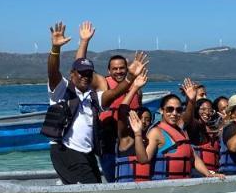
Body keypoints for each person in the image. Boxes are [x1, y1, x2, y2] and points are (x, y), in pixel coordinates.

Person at [44, 21, 143, 184]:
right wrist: (55, 49)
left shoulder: (94, 97)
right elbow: (52, 71)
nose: (85, 76)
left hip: (87, 153)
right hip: (65, 150)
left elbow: (115, 92)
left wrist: (130, 78)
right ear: (72, 74)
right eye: (81, 73)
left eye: (89, 73)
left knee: (97, 187)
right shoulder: (62, 90)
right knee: (90, 191)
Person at [75, 21, 143, 181]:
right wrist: (85, 41)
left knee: (133, 177)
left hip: (132, 139)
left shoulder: (136, 87)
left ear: (127, 69)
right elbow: (79, 66)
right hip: (109, 141)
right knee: (112, 178)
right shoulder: (102, 83)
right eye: (115, 68)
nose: (119, 71)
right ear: (108, 70)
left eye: (122, 68)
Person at [129, 94, 221, 180]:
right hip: (164, 187)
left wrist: (208, 174)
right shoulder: (156, 132)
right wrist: (138, 134)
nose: (174, 113)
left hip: (184, 186)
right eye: (170, 109)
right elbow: (143, 159)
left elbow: (194, 158)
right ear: (161, 110)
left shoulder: (182, 132)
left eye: (178, 110)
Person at [113, 105, 154, 183]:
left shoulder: (150, 140)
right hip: (124, 185)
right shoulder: (126, 138)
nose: (143, 121)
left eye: (147, 119)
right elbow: (121, 110)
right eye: (140, 118)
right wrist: (132, 91)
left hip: (145, 185)